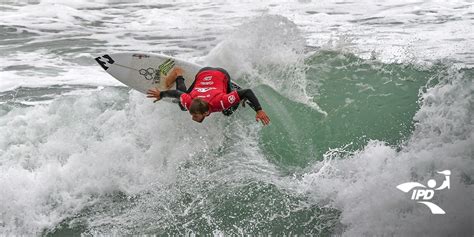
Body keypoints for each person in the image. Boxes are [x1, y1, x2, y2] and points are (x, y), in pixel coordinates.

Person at [146, 67, 270, 125]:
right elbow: (178, 94)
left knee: (227, 112)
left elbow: (247, 91)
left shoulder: (221, 102)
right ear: (205, 113)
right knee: (182, 105)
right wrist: (161, 95)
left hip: (218, 74)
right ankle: (178, 74)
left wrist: (259, 110)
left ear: (205, 112)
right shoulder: (189, 103)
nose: (192, 117)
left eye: (194, 114)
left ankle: (236, 93)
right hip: (205, 72)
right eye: (194, 114)